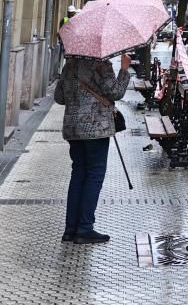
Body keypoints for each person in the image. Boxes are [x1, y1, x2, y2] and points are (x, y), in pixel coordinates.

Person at [53, 51, 131, 244]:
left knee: (78, 173)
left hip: (73, 129)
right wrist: (124, 70)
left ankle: (71, 228)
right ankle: (85, 228)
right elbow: (116, 93)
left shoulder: (69, 65)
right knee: (94, 175)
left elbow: (59, 97)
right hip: (95, 130)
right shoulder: (101, 64)